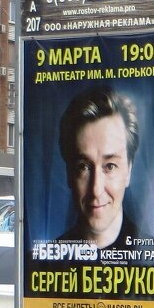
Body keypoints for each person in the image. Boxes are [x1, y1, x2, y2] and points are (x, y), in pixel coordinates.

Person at [56, 86, 142, 250]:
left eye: (110, 166)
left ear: (129, 169)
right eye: (83, 167)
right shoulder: (41, 266)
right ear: (68, 173)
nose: (96, 190)